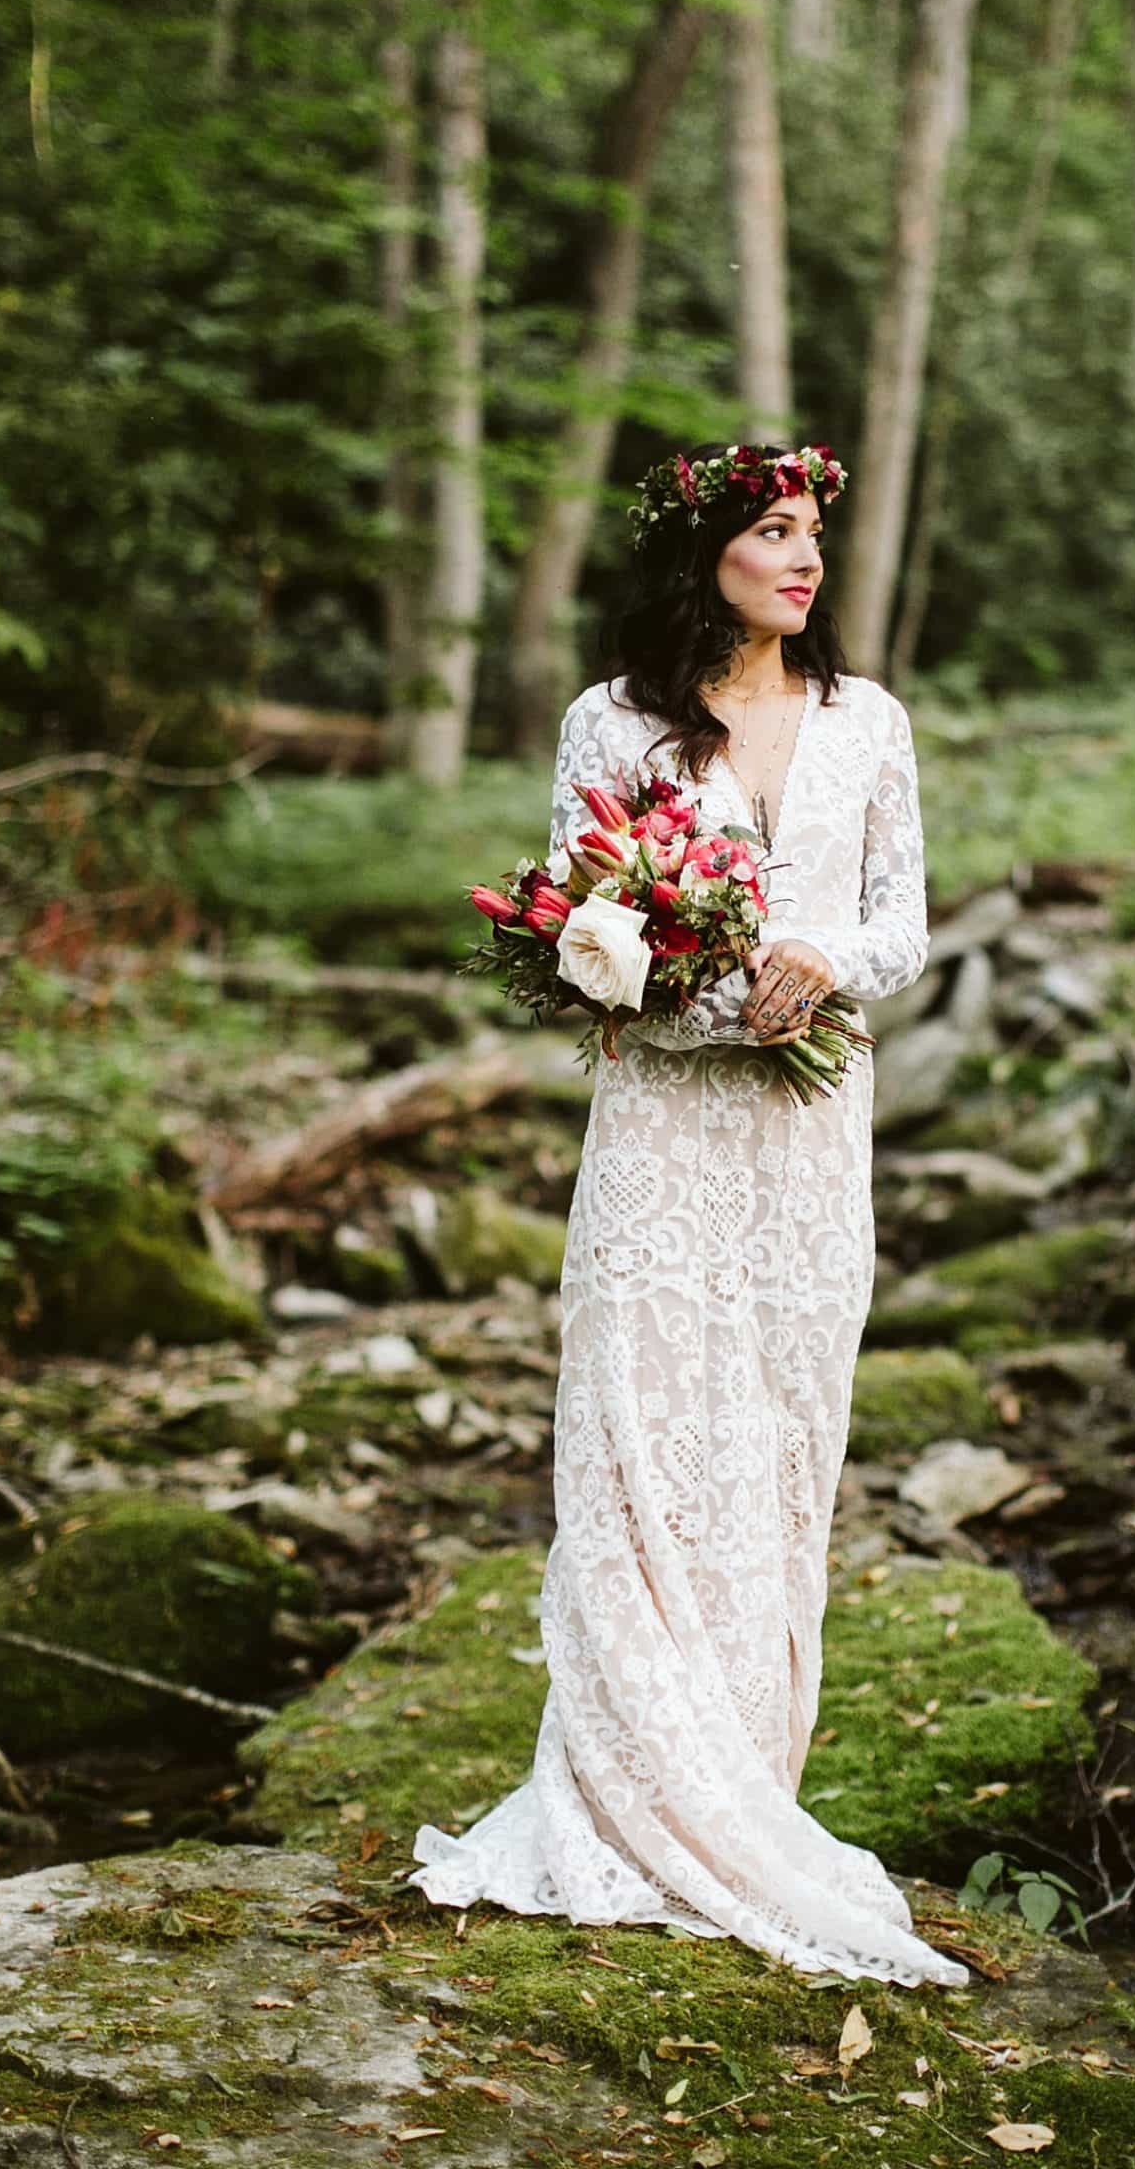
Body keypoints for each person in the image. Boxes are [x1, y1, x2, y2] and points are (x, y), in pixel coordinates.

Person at [408, 439, 970, 1990]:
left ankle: (744, 1792)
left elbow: (903, 924)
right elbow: (585, 955)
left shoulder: (869, 722)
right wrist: (735, 1004)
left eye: (812, 536)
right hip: (660, 1134)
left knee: (783, 1439)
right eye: (772, 534)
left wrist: (829, 970)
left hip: (812, 1145)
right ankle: (622, 1798)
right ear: (702, 555)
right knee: (646, 1435)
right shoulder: (614, 725)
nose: (804, 560)